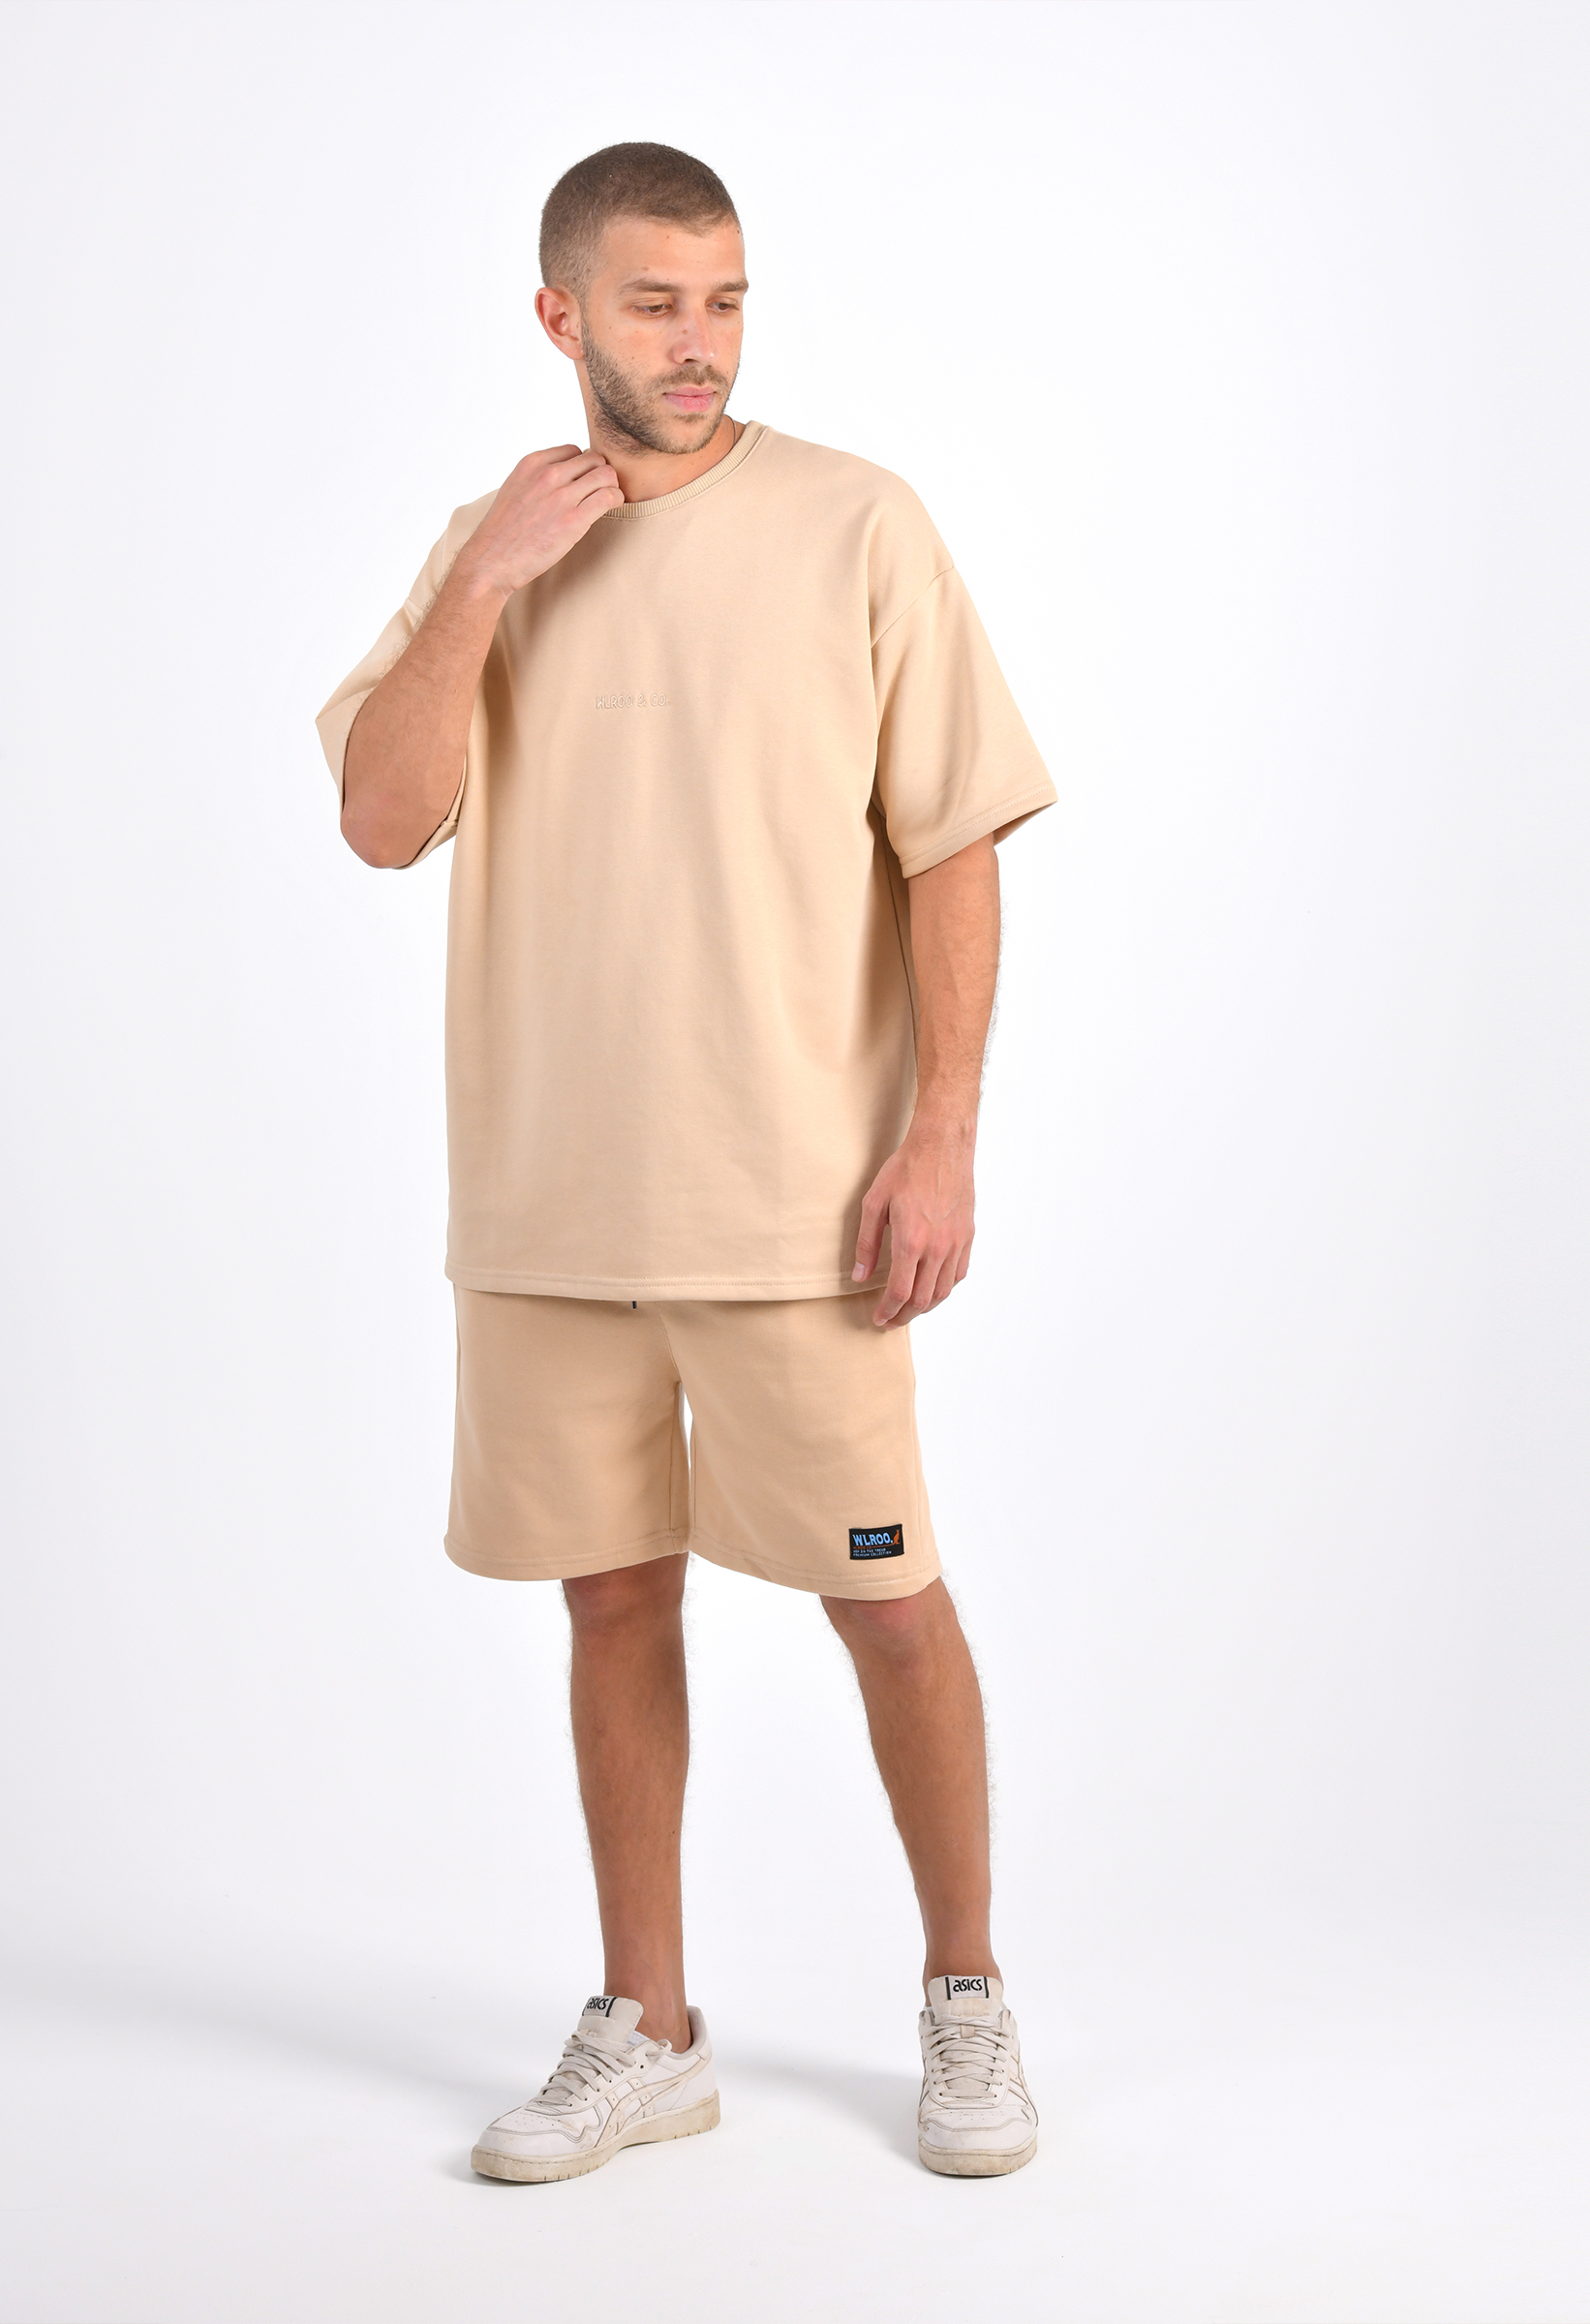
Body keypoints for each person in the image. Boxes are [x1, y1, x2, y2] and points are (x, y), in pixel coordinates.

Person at [318, 141, 1055, 2184]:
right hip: (548, 1201)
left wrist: (942, 1134)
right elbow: (381, 819)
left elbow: (953, 845)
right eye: (655, 303)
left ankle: (968, 1992)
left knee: (886, 1603)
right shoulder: (489, 543)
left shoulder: (858, 522)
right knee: (611, 1603)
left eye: (725, 299)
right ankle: (650, 2029)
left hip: (799, 1203)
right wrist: (484, 584)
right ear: (561, 316)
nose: (700, 342)